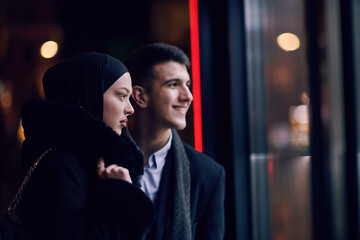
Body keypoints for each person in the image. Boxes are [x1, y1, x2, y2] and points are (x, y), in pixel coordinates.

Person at [19, 52, 154, 240]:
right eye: (122, 96)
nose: (130, 109)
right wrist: (119, 193)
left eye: (130, 98)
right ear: (88, 94)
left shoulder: (91, 161)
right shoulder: (60, 165)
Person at [124, 43, 225, 240]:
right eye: (173, 84)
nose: (188, 96)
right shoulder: (98, 160)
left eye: (187, 85)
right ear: (140, 96)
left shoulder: (208, 174)